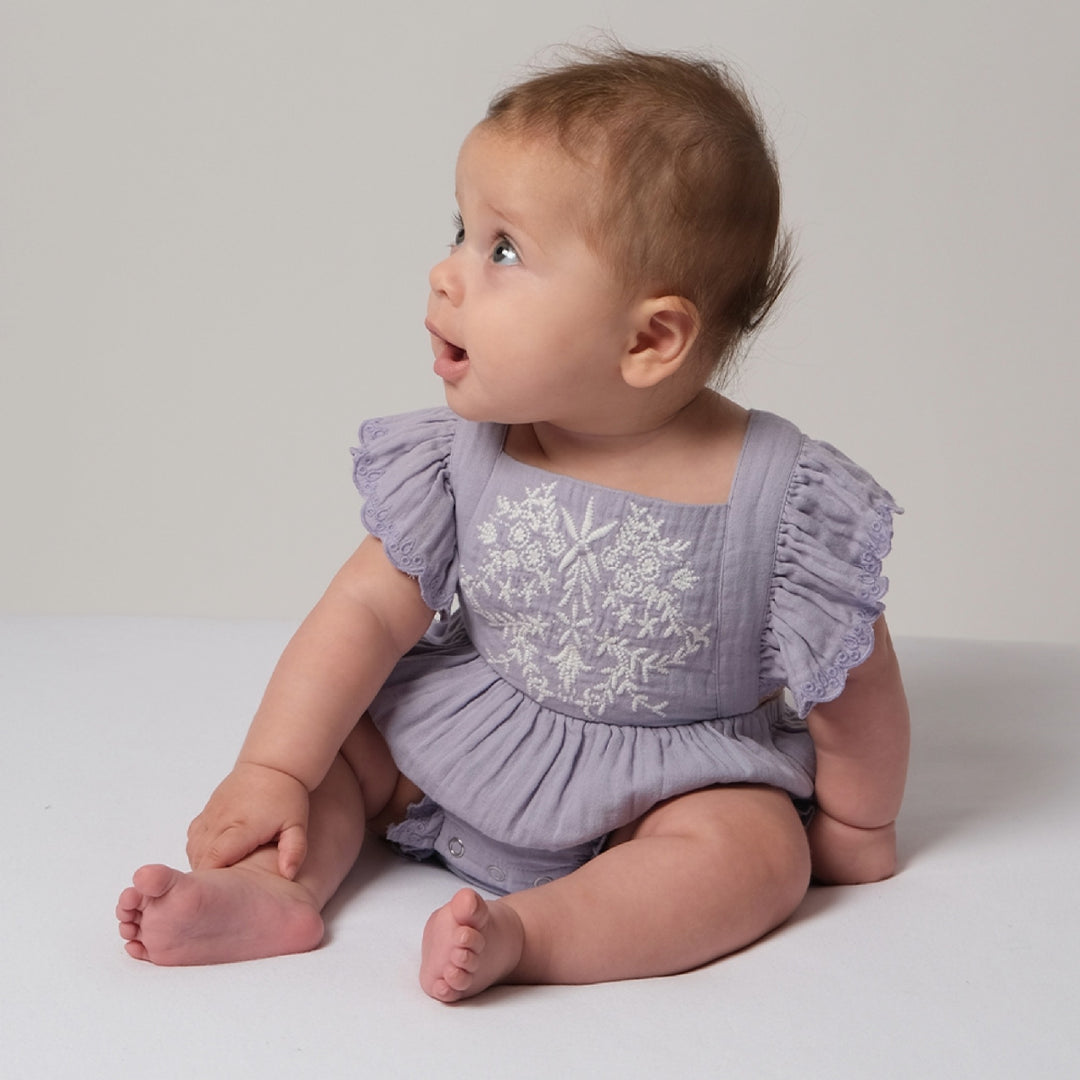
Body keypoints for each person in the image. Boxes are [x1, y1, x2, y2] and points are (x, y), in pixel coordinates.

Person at [116, 46, 910, 1003]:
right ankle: (266, 889)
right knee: (353, 748)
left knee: (754, 852)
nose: (446, 274)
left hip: (668, 780)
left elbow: (852, 679)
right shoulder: (470, 450)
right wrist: (272, 766)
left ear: (650, 339)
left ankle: (530, 936)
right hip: (466, 734)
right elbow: (367, 613)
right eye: (462, 229)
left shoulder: (778, 498)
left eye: (502, 251)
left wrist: (858, 826)